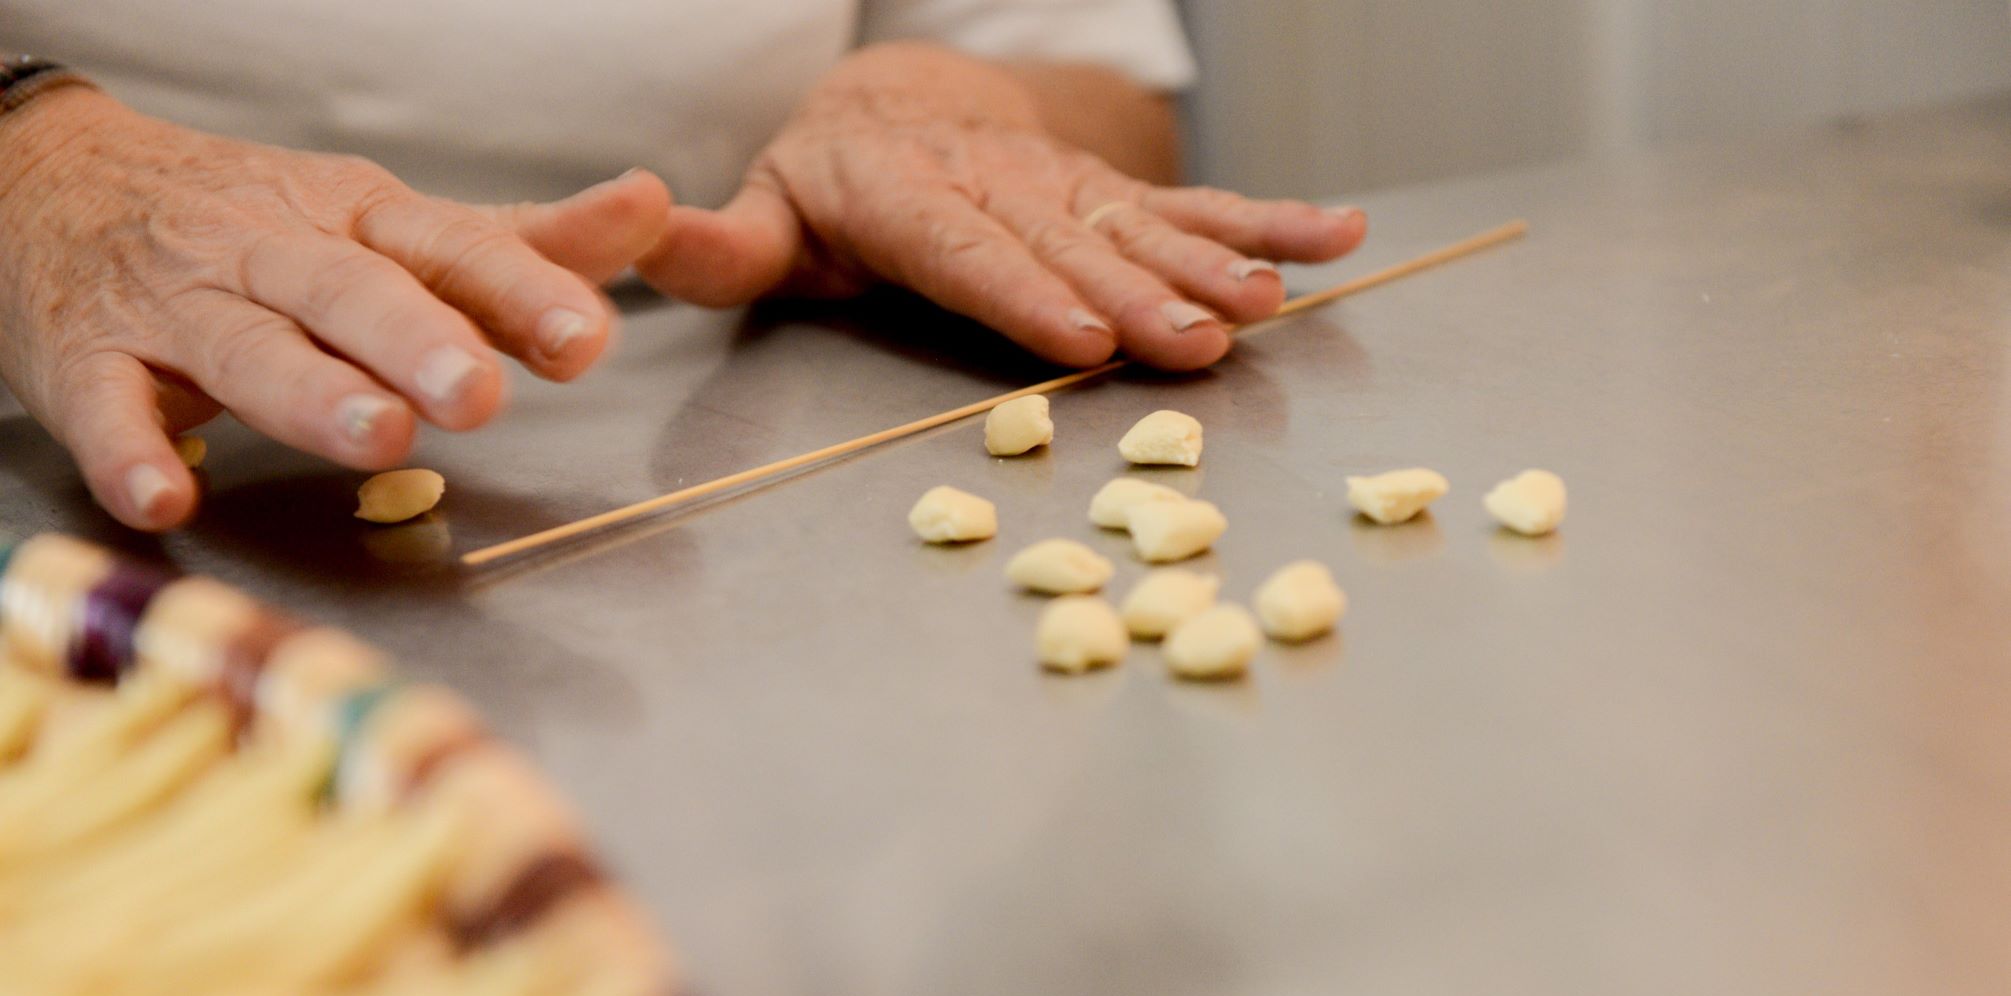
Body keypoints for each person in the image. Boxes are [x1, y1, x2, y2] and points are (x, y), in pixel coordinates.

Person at [0, 2, 1367, 532]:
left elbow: (1096, 79)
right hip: (77, 452)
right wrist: (34, 171)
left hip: (735, 403)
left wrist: (943, 112)